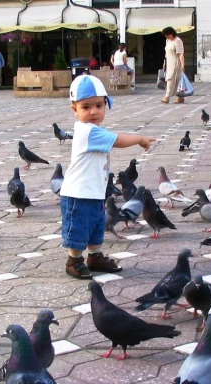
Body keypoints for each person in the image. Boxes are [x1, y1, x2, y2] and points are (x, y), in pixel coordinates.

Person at [62, 75, 155, 279]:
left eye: (98, 105)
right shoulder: (87, 131)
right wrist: (139, 138)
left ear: (106, 104)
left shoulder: (95, 130)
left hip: (93, 192)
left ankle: (94, 256)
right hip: (78, 193)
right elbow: (118, 141)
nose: (93, 111)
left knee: (96, 225)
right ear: (74, 109)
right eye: (86, 107)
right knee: (79, 228)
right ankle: (74, 260)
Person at [161, 27, 185, 104]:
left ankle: (167, 96)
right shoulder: (167, 40)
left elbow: (181, 54)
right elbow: (166, 53)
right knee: (175, 79)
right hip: (169, 62)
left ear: (172, 33)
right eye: (165, 35)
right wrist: (164, 62)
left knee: (171, 79)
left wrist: (183, 65)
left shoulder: (178, 41)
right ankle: (180, 97)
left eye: (168, 35)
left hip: (176, 63)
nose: (167, 36)